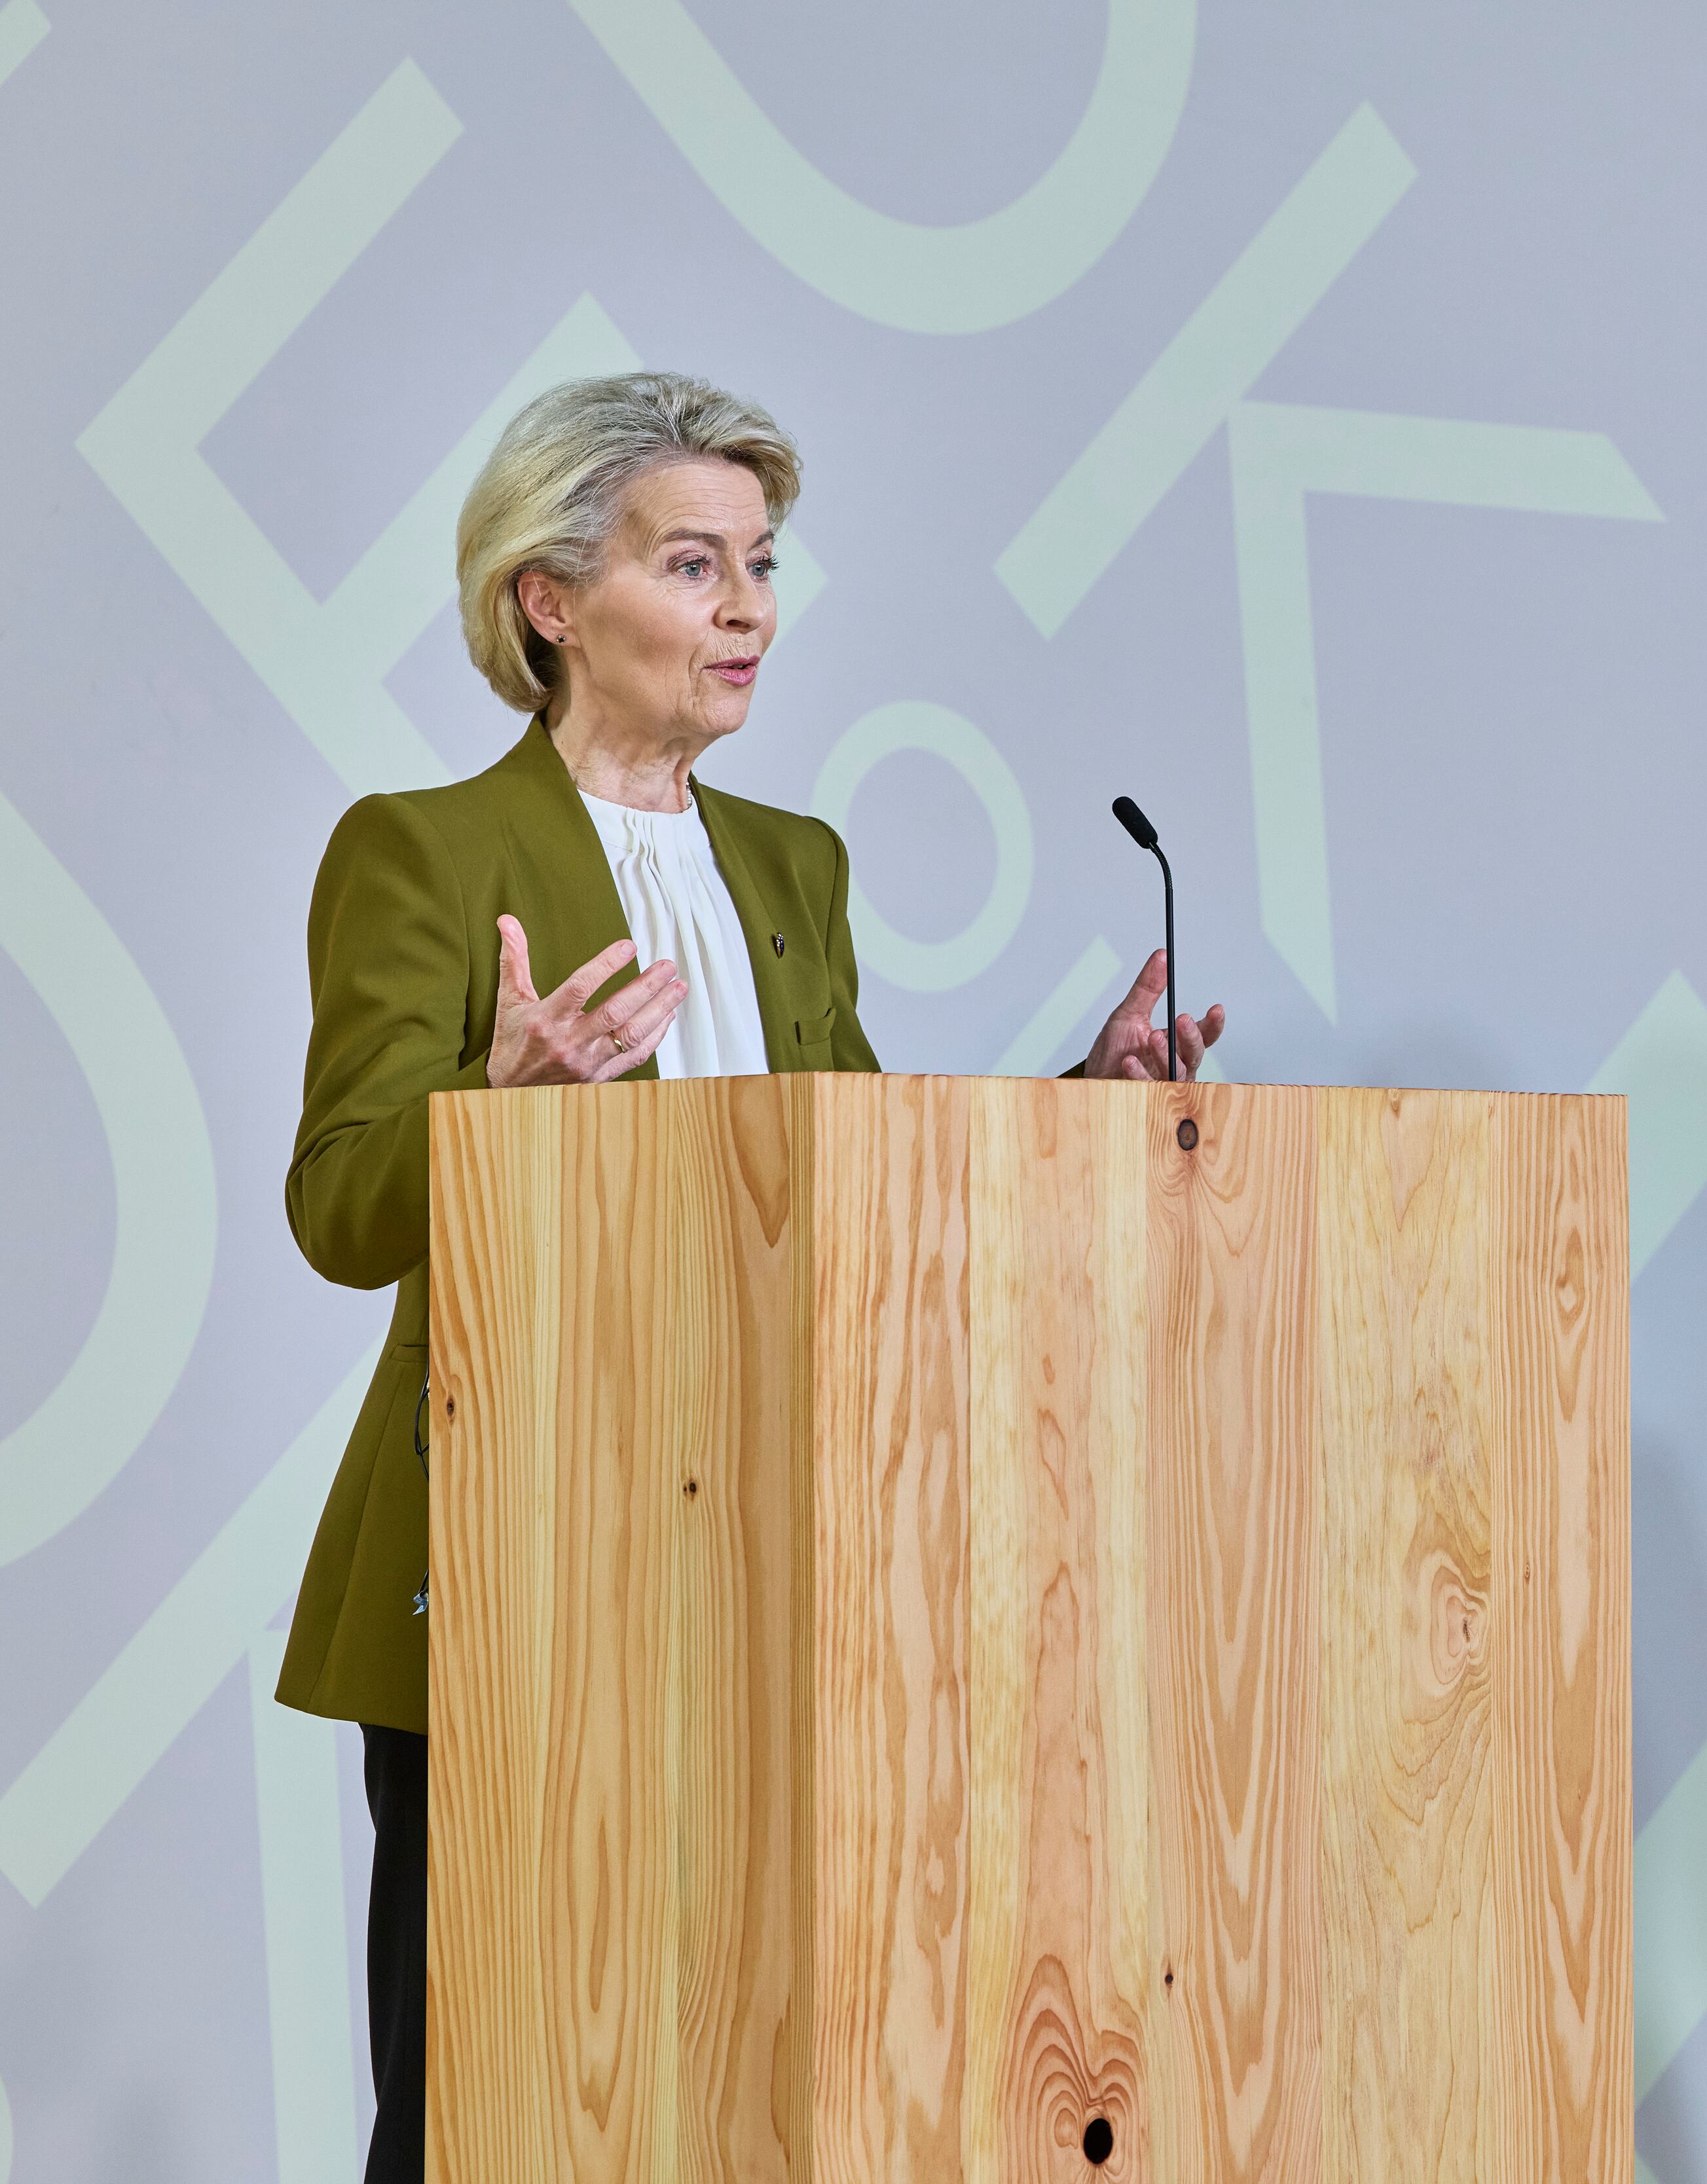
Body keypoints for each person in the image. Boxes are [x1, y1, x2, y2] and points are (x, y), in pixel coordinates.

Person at [271, 372, 1225, 2182]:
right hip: (522, 1567)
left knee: (755, 2092)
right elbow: (340, 1209)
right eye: (693, 564)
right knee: (487, 2100)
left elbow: (853, 1177)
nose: (747, 611)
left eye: (763, 566)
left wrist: (1083, 1111)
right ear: (548, 601)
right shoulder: (424, 851)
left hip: (786, 1568)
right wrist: (496, 1113)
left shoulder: (795, 866)